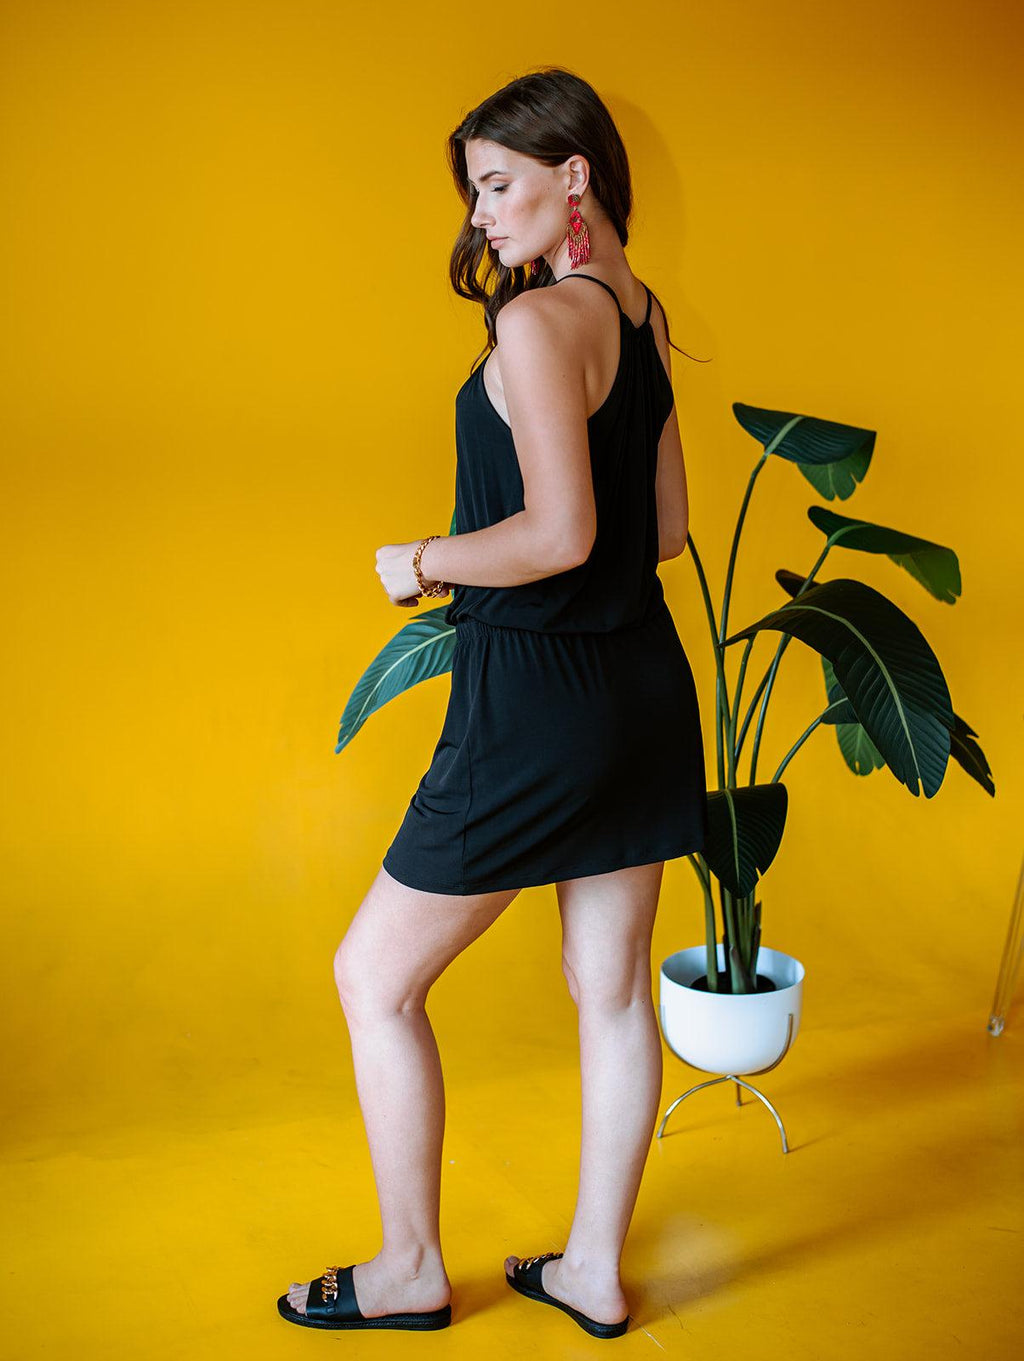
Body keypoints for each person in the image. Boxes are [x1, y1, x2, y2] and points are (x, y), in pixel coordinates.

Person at [278, 66, 708, 1340]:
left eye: (497, 185)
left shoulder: (534, 326)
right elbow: (667, 529)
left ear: (574, 176)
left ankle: (411, 1266)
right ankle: (589, 1270)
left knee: (373, 978)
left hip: (535, 705)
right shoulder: (635, 312)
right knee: (612, 989)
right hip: (640, 687)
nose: (479, 217)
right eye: (474, 193)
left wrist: (425, 559)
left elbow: (563, 533)